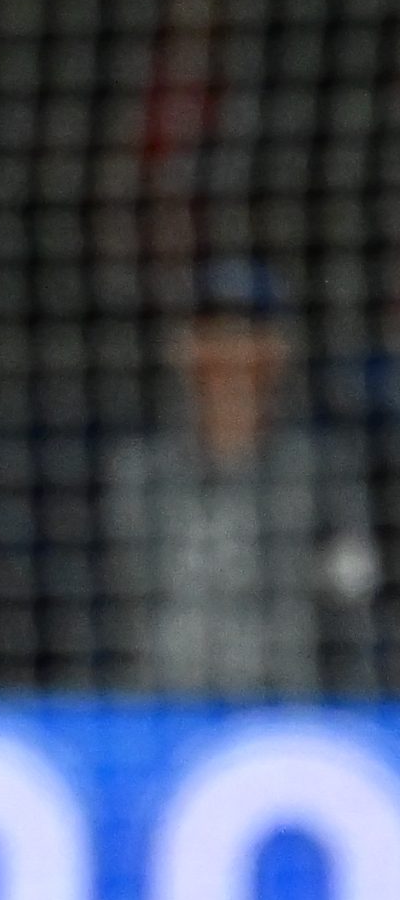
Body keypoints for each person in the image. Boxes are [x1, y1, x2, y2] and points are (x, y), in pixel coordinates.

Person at [106, 257, 379, 693]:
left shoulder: (321, 470)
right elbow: (111, 613)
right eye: (214, 333)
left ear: (276, 350)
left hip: (285, 716)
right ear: (185, 348)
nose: (229, 352)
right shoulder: (140, 473)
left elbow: (353, 605)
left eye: (246, 332)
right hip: (162, 714)